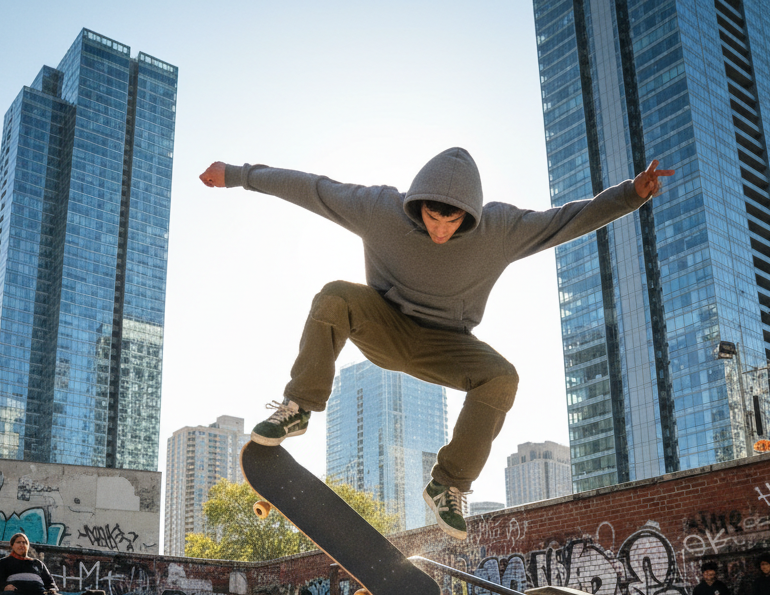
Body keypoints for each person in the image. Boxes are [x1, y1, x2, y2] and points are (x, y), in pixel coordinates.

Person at [199, 149, 673, 539]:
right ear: (417, 202)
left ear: (471, 214)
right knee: (334, 296)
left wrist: (630, 196)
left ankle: (447, 484)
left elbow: (566, 220)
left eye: (452, 221)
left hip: (448, 346)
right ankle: (299, 405)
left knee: (502, 376)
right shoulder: (378, 208)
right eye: (431, 216)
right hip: (385, 326)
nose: (440, 230)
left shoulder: (502, 229)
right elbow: (312, 188)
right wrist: (239, 175)